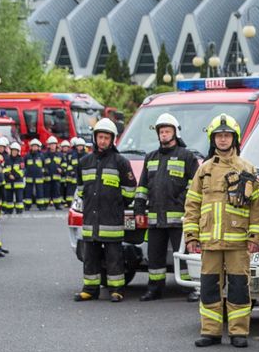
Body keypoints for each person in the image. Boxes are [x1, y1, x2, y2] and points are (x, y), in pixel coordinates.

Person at [182, 113, 259, 344]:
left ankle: (238, 332)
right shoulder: (204, 170)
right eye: (219, 136)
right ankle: (211, 331)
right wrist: (191, 235)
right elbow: (192, 204)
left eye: (227, 136)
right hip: (209, 241)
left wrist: (255, 235)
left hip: (237, 241)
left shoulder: (247, 168)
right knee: (209, 288)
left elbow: (256, 206)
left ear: (234, 138)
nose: (223, 140)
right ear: (212, 139)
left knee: (238, 288)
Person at [133, 113, 198, 301]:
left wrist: (182, 203)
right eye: (161, 131)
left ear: (175, 133)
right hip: (155, 218)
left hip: (179, 218)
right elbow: (142, 187)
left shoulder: (187, 157)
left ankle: (190, 288)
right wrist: (139, 210)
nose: (163, 135)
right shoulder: (151, 157)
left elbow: (194, 186)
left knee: (184, 255)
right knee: (154, 256)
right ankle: (154, 288)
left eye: (167, 131)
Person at [74, 118, 135, 302]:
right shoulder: (84, 162)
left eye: (106, 138)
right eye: (100, 137)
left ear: (112, 139)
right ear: (95, 138)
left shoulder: (120, 162)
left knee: (114, 257)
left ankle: (116, 289)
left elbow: (130, 189)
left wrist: (117, 204)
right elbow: (81, 188)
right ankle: (90, 289)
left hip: (112, 220)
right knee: (90, 256)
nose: (102, 141)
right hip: (91, 220)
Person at [24, 139, 45, 211]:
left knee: (40, 192)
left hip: (39, 177)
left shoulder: (41, 156)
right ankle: (27, 206)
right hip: (29, 177)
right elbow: (25, 166)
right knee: (28, 192)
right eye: (33, 146)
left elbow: (44, 166)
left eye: (36, 146)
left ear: (38, 147)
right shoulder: (27, 156)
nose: (35, 148)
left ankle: (41, 206)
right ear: (31, 147)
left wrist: (43, 173)